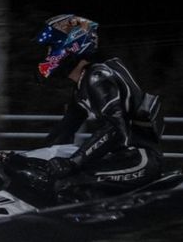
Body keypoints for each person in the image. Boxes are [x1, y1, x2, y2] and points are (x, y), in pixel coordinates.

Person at [21, 14, 165, 203]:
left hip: (139, 159)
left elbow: (115, 129)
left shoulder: (97, 76)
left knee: (70, 186)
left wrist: (73, 162)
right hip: (121, 158)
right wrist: (23, 160)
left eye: (50, 48)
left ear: (69, 45)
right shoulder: (81, 86)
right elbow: (64, 131)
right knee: (51, 182)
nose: (46, 55)